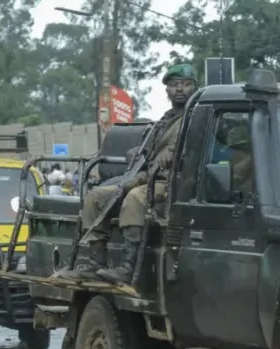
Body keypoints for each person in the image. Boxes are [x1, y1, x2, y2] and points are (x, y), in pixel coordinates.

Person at [55, 63, 198, 284]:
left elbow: (195, 145)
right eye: (174, 85)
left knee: (135, 198)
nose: (179, 89)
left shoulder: (197, 116)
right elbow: (149, 151)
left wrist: (173, 153)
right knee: (96, 197)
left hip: (175, 183)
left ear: (194, 87)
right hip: (148, 176)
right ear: (167, 90)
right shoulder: (165, 119)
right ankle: (95, 264)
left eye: (186, 84)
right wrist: (138, 154)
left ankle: (129, 268)